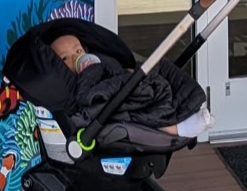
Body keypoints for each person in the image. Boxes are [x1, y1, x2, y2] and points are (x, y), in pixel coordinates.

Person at [49, 33, 213, 138]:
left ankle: (187, 103)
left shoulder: (98, 62)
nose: (74, 58)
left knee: (157, 67)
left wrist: (127, 74)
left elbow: (113, 73)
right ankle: (176, 127)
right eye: (65, 58)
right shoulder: (73, 82)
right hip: (118, 101)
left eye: (78, 51)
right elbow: (87, 98)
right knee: (140, 105)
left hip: (127, 86)